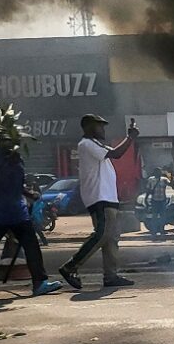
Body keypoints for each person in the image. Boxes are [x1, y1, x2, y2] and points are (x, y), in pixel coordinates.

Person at [0, 138, 62, 297]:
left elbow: (14, 185)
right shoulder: (3, 162)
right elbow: (9, 184)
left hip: (1, 212)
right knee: (28, 246)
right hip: (7, 213)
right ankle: (39, 282)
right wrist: (29, 193)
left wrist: (28, 193)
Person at [59, 114, 138, 290]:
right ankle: (70, 266)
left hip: (107, 197)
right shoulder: (87, 144)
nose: (102, 129)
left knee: (111, 238)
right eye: (99, 126)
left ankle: (111, 276)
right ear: (88, 127)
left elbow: (114, 153)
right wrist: (130, 137)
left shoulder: (96, 145)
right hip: (99, 197)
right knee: (102, 234)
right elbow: (117, 154)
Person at [144, 167, 169, 237]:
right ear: (154, 173)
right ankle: (154, 231)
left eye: (159, 171)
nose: (158, 173)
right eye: (157, 171)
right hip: (154, 200)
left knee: (163, 216)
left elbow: (171, 185)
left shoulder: (164, 180)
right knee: (154, 216)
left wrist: (170, 175)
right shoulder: (151, 180)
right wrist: (146, 199)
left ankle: (162, 230)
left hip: (162, 200)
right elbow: (148, 190)